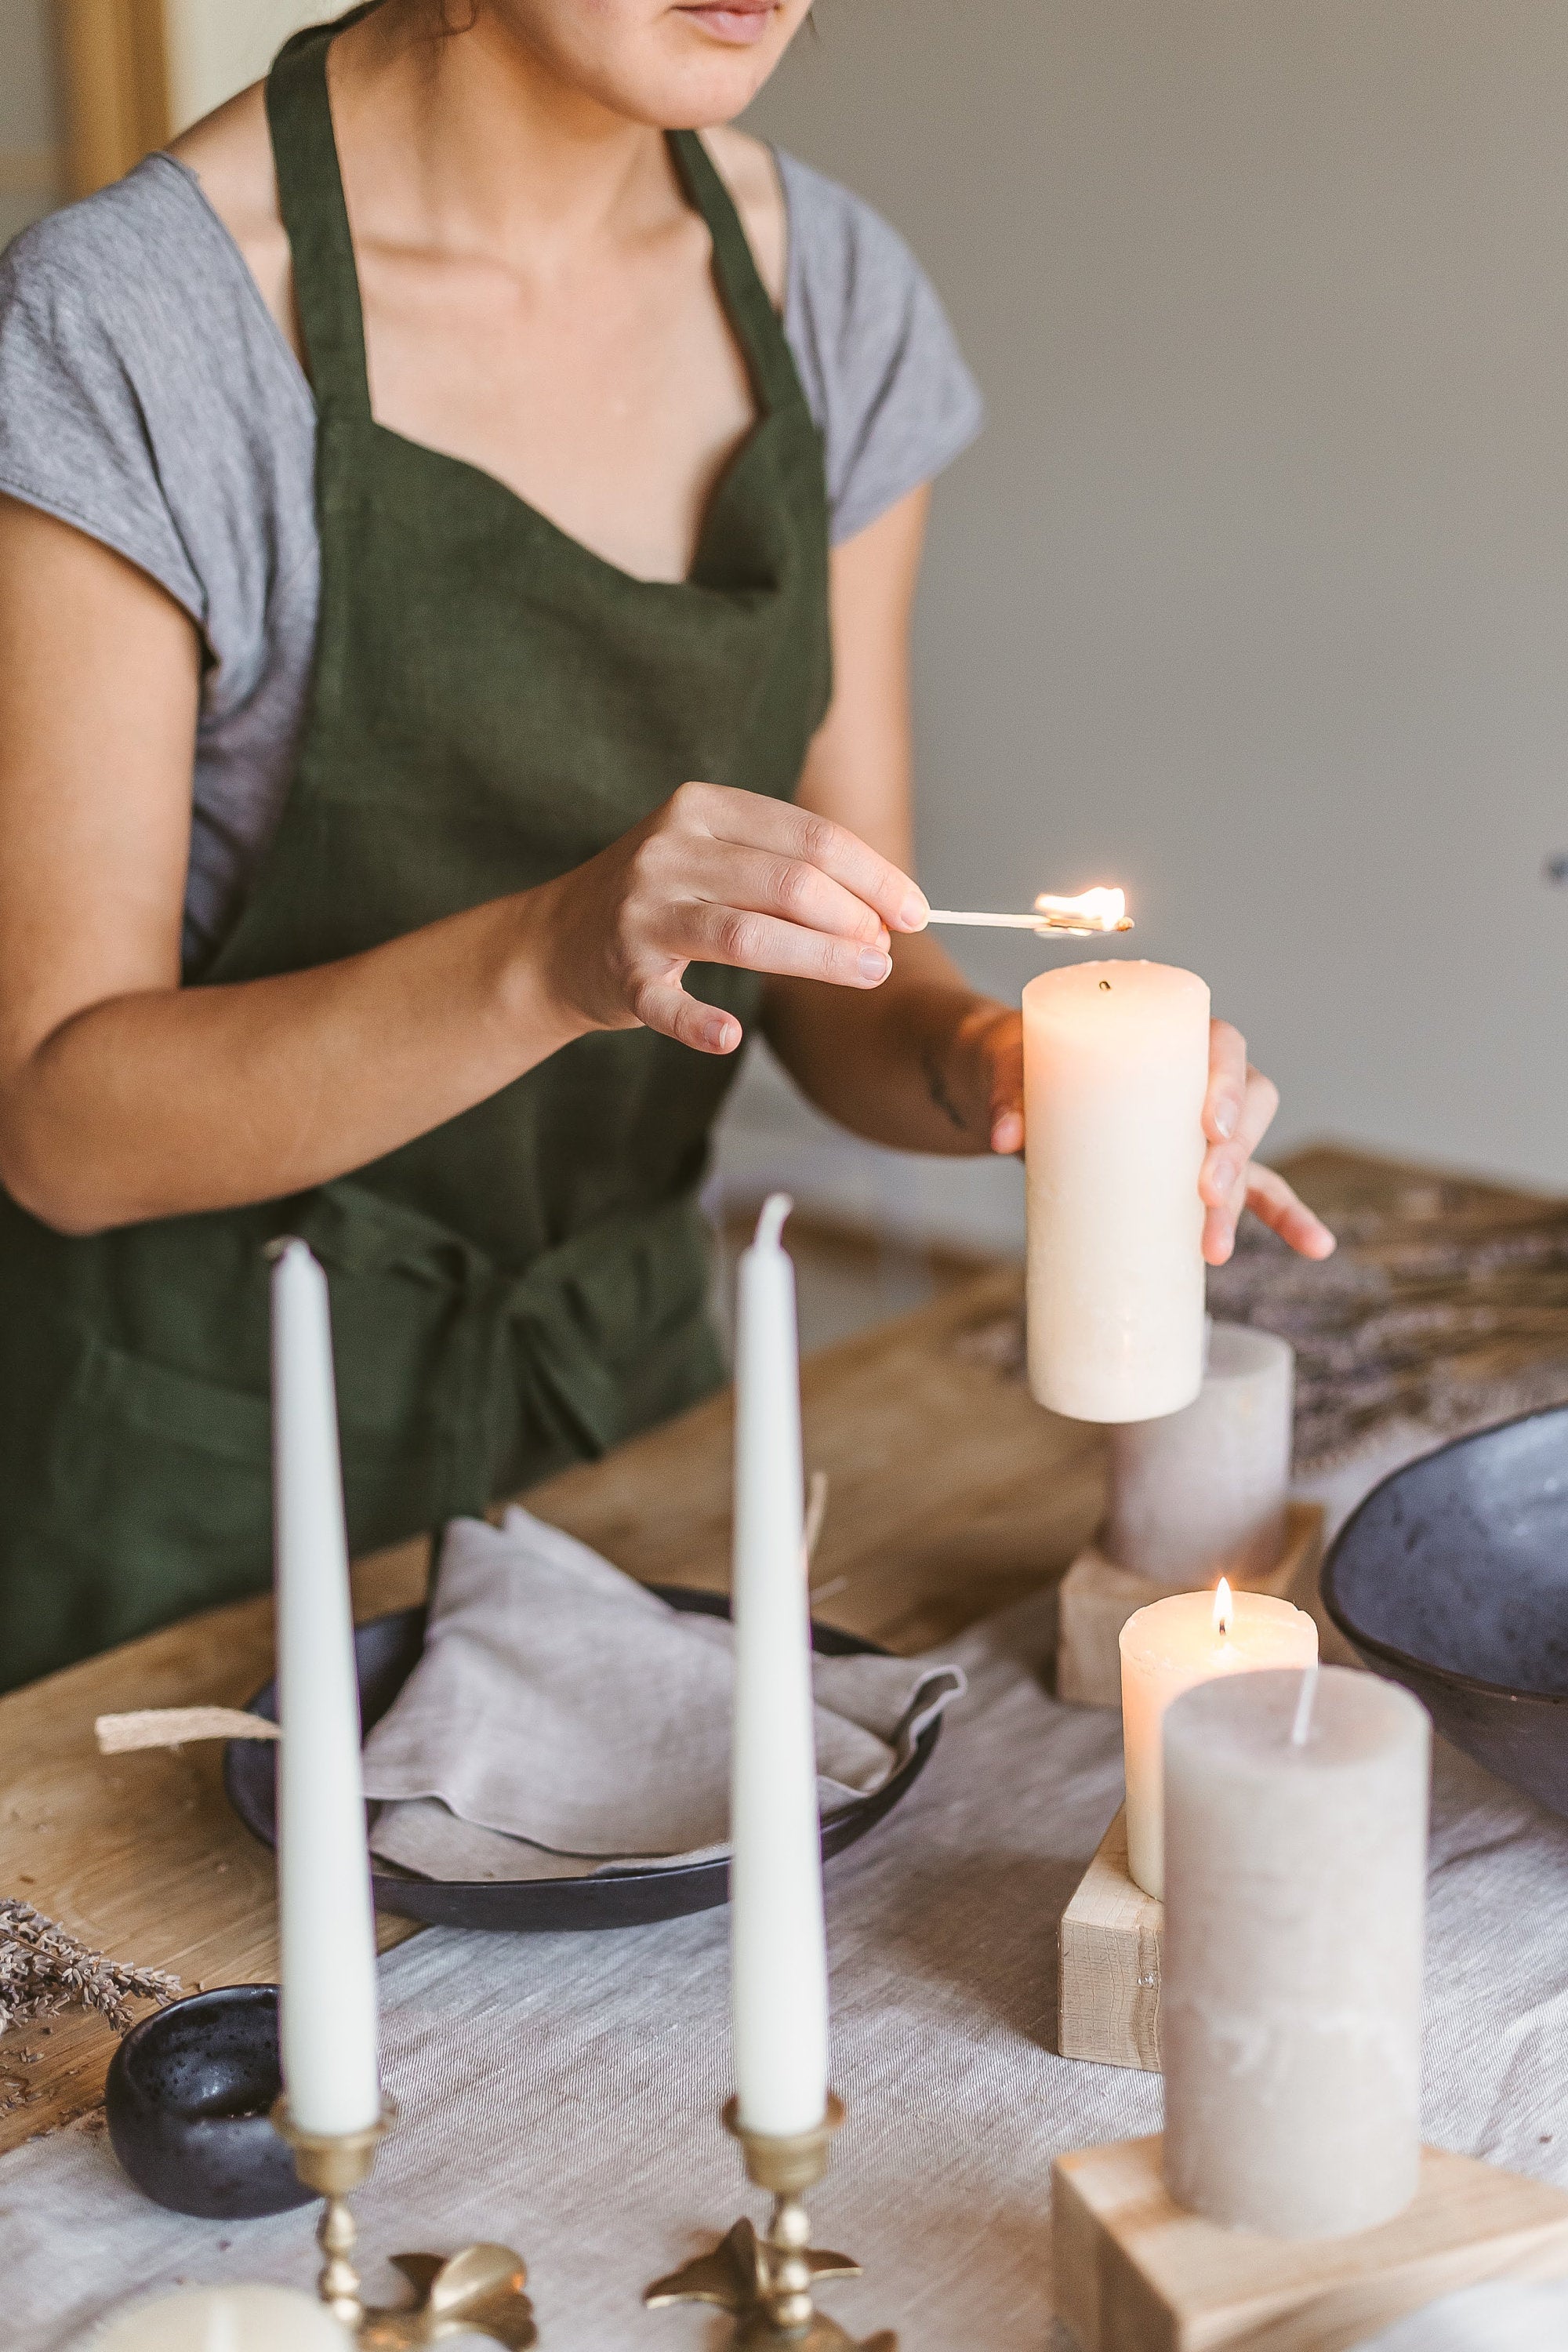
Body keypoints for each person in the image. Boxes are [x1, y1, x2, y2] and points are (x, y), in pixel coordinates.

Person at [0, 0, 1333, 1692]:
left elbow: (856, 979)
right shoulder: (136, 328)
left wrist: (994, 1065)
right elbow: (62, 1122)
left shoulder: (827, 300)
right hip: (191, 1493)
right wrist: (548, 957)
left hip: (627, 1447)